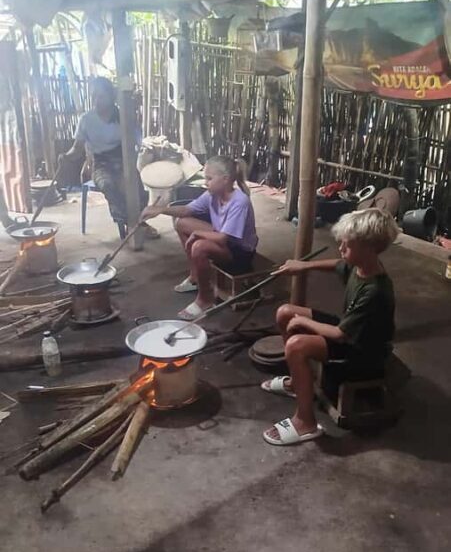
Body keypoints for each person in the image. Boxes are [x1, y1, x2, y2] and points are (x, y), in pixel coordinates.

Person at [261, 208, 398, 446]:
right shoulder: (360, 265)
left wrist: (304, 322)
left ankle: (305, 422)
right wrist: (303, 266)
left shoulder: (375, 291)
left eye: (347, 245)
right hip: (352, 333)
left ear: (370, 248)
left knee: (296, 346)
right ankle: (297, 383)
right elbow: (337, 264)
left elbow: (340, 334)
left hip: (364, 352)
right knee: (285, 312)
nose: (341, 248)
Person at [140, 155, 258, 319]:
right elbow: (187, 210)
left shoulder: (240, 202)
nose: (205, 182)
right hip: (224, 239)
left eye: (209, 178)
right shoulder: (212, 194)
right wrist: (160, 210)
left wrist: (198, 234)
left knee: (199, 247)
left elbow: (223, 238)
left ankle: (205, 299)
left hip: (240, 253)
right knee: (182, 223)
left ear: (225, 180)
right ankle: (195, 277)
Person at [62, 77, 157, 235]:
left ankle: (140, 222)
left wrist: (130, 165)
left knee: (136, 187)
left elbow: (135, 142)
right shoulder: (86, 120)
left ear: (111, 97)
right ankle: (130, 222)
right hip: (101, 164)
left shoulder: (123, 117)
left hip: (123, 160)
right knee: (107, 184)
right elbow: (77, 149)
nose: (96, 101)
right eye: (93, 96)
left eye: (101, 96)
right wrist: (65, 157)